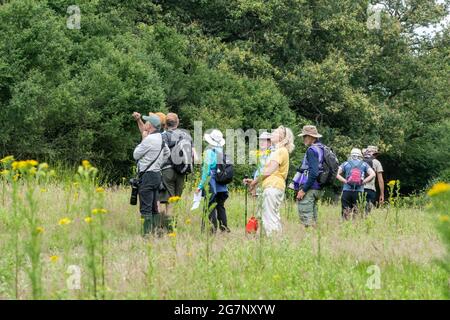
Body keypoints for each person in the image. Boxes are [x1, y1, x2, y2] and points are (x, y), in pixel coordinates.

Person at [133, 113, 170, 235]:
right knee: (154, 206)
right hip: (157, 175)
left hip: (147, 175)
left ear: (151, 126)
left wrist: (143, 138)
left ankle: (146, 235)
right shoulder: (161, 138)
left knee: (145, 207)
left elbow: (136, 155)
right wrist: (158, 164)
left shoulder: (149, 139)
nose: (146, 123)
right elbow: (167, 153)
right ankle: (155, 233)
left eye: (147, 122)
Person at [159, 113, 193, 229]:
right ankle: (172, 227)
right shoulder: (186, 136)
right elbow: (192, 154)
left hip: (167, 171)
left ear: (165, 124)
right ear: (177, 123)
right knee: (174, 202)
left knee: (166, 201)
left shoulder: (163, 136)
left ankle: (164, 227)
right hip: (182, 171)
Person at [260, 126, 295, 235]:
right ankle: (277, 240)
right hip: (275, 186)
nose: (272, 134)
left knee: (269, 216)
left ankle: (272, 241)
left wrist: (254, 183)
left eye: (275, 132)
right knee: (273, 215)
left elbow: (268, 171)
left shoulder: (280, 151)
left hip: (273, 186)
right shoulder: (279, 151)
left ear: (282, 137)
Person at [196, 129, 230, 233]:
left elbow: (206, 171)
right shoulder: (222, 152)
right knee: (220, 206)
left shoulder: (209, 152)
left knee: (210, 206)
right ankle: (224, 229)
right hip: (222, 184)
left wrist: (200, 186)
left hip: (212, 182)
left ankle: (211, 231)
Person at [295, 125, 325, 228]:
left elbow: (313, 173)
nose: (303, 139)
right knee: (313, 218)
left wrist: (303, 189)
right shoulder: (322, 148)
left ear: (312, 137)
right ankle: (314, 238)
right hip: (319, 187)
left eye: (305, 136)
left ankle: (308, 239)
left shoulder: (312, 150)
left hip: (311, 187)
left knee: (306, 219)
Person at [336, 148, 375, 220]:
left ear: (351, 155)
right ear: (360, 155)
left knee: (345, 213)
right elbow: (373, 174)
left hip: (346, 191)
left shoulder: (346, 163)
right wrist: (363, 182)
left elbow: (336, 173)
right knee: (357, 213)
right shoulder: (364, 164)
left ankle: (345, 227)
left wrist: (345, 181)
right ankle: (356, 226)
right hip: (359, 191)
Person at [243, 131, 272, 197]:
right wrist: (252, 181)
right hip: (260, 184)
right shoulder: (262, 154)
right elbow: (260, 171)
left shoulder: (271, 153)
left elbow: (267, 172)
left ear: (270, 142)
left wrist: (254, 183)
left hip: (267, 185)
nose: (261, 142)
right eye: (260, 140)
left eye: (264, 140)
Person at [362, 146, 385, 212]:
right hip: (370, 189)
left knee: (357, 209)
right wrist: (382, 194)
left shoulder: (360, 161)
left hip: (358, 188)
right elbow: (380, 180)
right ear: (375, 154)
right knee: (367, 212)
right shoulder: (377, 162)